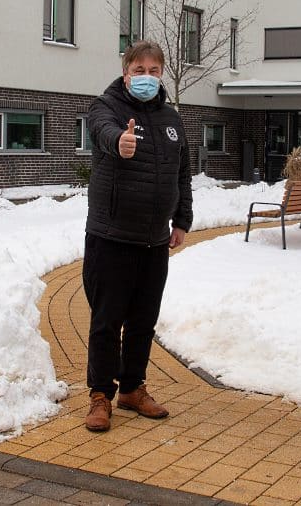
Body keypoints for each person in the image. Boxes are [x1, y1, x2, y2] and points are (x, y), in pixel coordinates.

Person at [82, 40, 193, 432]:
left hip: (153, 239)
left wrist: (182, 220)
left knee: (144, 320)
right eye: (139, 70)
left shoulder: (171, 118)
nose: (147, 77)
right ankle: (100, 396)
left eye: (154, 70)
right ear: (125, 71)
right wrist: (119, 142)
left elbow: (183, 172)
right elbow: (101, 131)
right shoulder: (106, 107)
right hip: (111, 236)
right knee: (107, 321)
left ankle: (132, 388)